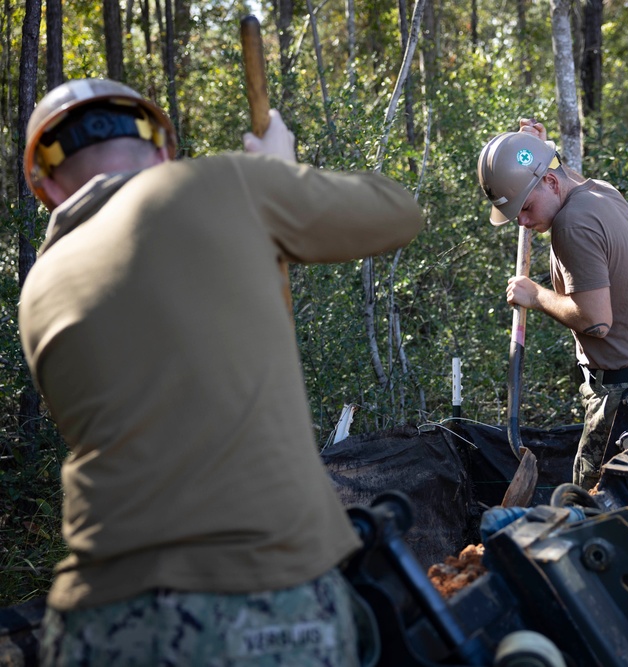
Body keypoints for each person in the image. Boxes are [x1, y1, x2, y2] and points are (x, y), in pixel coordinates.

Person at [19, 79, 422, 666]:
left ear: (48, 186)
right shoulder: (221, 182)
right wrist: (282, 171)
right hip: (258, 603)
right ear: (161, 149)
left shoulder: (37, 290)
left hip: (95, 621)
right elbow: (397, 213)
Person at [477, 119, 628, 491]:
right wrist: (537, 151)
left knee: (592, 510)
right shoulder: (600, 191)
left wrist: (534, 295)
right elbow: (558, 174)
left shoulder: (571, 224)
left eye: (525, 207)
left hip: (625, 400)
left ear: (551, 183)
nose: (521, 221)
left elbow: (597, 322)